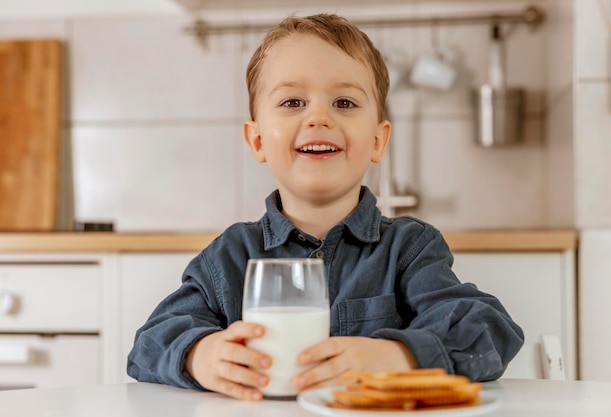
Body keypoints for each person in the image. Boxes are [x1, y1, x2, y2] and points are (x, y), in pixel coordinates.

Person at [127, 13, 524, 401]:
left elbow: (489, 330)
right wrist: (201, 356)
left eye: (345, 102)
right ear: (258, 140)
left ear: (377, 140)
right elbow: (149, 344)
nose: (319, 117)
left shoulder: (409, 249)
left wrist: (397, 356)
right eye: (293, 101)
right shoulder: (230, 256)